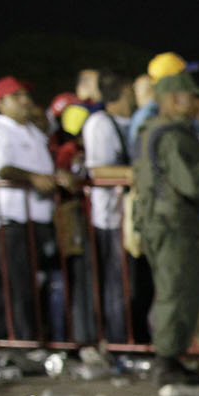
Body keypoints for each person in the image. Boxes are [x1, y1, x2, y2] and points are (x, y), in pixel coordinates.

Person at [133, 73, 199, 384]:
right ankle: (167, 361)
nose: (197, 102)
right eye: (191, 96)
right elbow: (191, 180)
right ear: (173, 98)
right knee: (176, 290)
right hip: (171, 222)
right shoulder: (172, 135)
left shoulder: (153, 131)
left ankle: (170, 357)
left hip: (161, 220)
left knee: (174, 289)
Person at [0, 76, 76, 342]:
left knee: (40, 285)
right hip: (11, 221)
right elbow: (2, 169)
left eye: (25, 95)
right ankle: (24, 345)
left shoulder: (33, 131)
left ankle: (41, 341)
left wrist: (58, 176)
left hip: (40, 220)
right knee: (19, 288)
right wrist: (34, 178)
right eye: (17, 96)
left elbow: (44, 170)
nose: (25, 101)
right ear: (0, 103)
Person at [80, 70, 138, 343]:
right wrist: (133, 174)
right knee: (117, 284)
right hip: (110, 218)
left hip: (131, 217)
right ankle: (116, 342)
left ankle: (128, 339)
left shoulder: (133, 121)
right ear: (126, 91)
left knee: (130, 284)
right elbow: (96, 171)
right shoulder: (99, 124)